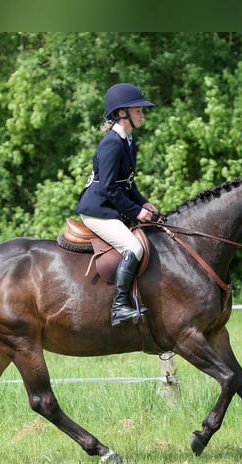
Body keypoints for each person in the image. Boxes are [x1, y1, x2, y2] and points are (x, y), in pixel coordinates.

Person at [75, 83, 160, 327]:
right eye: (138, 110)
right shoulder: (113, 143)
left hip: (110, 206)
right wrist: (135, 211)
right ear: (122, 113)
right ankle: (120, 306)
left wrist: (144, 203)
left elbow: (127, 184)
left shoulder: (128, 140)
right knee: (134, 248)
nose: (143, 114)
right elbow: (108, 189)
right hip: (98, 211)